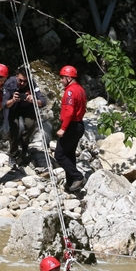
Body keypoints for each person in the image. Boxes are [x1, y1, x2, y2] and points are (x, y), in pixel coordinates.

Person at [2, 68, 47, 166]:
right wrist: (13, 99)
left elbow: (43, 101)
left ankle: (23, 145)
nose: (22, 83)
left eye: (25, 81)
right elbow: (4, 104)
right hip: (13, 107)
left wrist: (33, 100)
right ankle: (13, 154)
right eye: (20, 80)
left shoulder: (32, 84)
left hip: (27, 108)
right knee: (14, 128)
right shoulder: (9, 83)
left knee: (31, 124)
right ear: (16, 76)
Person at [54, 65, 88, 193]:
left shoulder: (70, 91)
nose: (61, 81)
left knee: (60, 155)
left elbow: (69, 111)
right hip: (79, 125)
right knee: (69, 154)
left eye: (62, 78)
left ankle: (77, 177)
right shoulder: (80, 89)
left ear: (68, 78)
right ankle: (70, 183)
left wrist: (63, 128)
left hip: (71, 126)